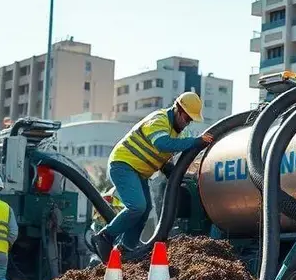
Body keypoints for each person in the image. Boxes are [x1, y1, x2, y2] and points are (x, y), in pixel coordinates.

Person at [90, 92, 213, 261]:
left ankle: (125, 249)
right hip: (123, 164)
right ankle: (104, 237)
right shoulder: (159, 119)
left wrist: (173, 171)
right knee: (137, 206)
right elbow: (161, 144)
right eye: (186, 118)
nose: (187, 123)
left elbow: (161, 155)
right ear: (178, 109)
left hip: (139, 172)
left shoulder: (178, 134)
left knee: (145, 209)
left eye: (190, 120)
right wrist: (195, 141)